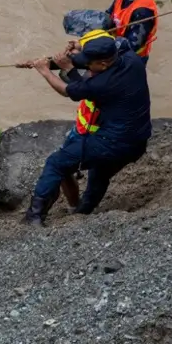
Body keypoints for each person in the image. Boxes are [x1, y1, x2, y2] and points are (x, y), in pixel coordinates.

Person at [17, 33, 151, 225]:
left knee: (56, 163)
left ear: (104, 65)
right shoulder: (132, 59)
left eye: (90, 64)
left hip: (112, 142)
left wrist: (45, 71)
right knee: (100, 172)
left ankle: (34, 216)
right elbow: (99, 55)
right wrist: (74, 51)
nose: (87, 67)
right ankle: (83, 214)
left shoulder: (102, 84)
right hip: (138, 141)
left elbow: (69, 90)